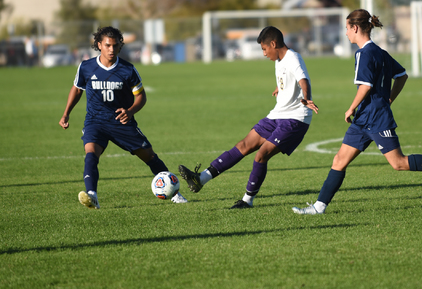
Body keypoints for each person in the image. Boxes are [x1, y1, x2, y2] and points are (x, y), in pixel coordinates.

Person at [292, 9, 422, 215]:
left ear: (355, 28)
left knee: (399, 163)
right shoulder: (379, 52)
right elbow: (402, 76)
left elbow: (365, 86)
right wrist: (389, 98)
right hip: (363, 119)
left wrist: (351, 108)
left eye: (347, 28)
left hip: (376, 118)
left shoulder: (365, 53)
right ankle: (319, 207)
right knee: (339, 160)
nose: (347, 32)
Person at [178, 26, 319, 209]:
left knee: (261, 155)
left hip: (295, 118)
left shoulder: (293, 58)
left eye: (264, 48)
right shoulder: (279, 60)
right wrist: (281, 89)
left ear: (274, 44)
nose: (263, 53)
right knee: (243, 145)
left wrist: (306, 98)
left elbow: (303, 80)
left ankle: (247, 201)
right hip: (278, 114)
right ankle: (201, 179)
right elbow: (289, 80)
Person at [59, 26, 188, 209]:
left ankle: (174, 193)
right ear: (99, 45)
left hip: (122, 122)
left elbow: (141, 97)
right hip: (95, 121)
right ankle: (92, 195)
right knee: (91, 154)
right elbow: (77, 89)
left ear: (120, 46)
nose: (112, 49)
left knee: (149, 156)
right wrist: (66, 113)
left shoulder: (128, 70)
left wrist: (130, 111)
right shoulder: (86, 67)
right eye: (108, 45)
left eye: (115, 45)